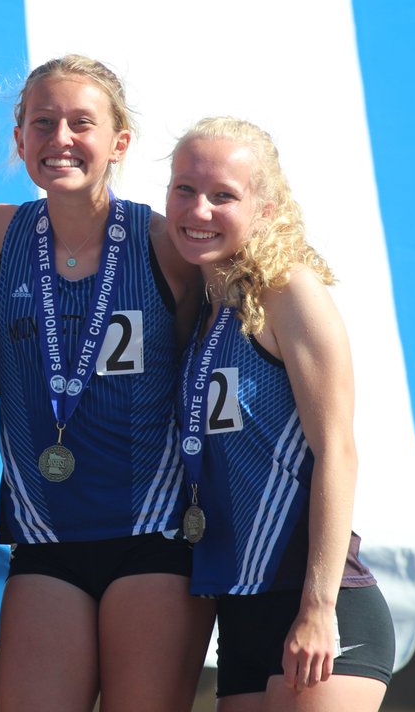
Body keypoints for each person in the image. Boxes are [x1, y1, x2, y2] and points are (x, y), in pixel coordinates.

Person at [0, 55, 215, 712]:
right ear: (20, 139)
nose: (60, 139)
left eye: (81, 123)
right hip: (45, 541)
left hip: (154, 537)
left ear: (119, 142)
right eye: (43, 122)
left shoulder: (165, 242)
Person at [166, 116, 396, 711]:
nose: (199, 209)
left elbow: (337, 451)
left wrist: (318, 608)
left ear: (266, 209)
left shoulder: (288, 290)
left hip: (321, 599)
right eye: (184, 189)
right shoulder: (206, 307)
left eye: (224, 195)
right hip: (244, 607)